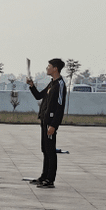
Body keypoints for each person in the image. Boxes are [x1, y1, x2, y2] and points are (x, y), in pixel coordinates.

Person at [27, 59, 66, 187]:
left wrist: (54, 125)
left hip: (51, 123)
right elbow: (39, 96)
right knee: (45, 149)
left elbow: (60, 107)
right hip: (44, 121)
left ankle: (50, 180)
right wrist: (32, 86)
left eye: (49, 66)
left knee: (50, 151)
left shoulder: (60, 85)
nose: (47, 68)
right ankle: (44, 176)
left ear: (55, 68)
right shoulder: (51, 84)